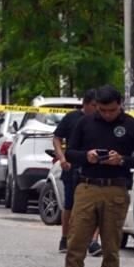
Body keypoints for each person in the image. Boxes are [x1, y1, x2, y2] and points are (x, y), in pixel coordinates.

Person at [49, 84, 134, 267]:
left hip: (116, 189)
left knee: (111, 248)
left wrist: (122, 160)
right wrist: (87, 156)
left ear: (120, 105)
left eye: (111, 110)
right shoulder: (85, 123)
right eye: (102, 110)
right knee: (76, 245)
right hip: (87, 186)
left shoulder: (132, 126)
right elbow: (70, 153)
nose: (107, 115)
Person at [52, 89, 102, 255]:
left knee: (96, 205)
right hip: (72, 167)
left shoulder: (102, 120)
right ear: (85, 104)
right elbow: (57, 138)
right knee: (70, 204)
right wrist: (62, 158)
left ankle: (93, 241)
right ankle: (65, 237)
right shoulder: (72, 118)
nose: (97, 109)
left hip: (94, 168)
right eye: (94, 105)